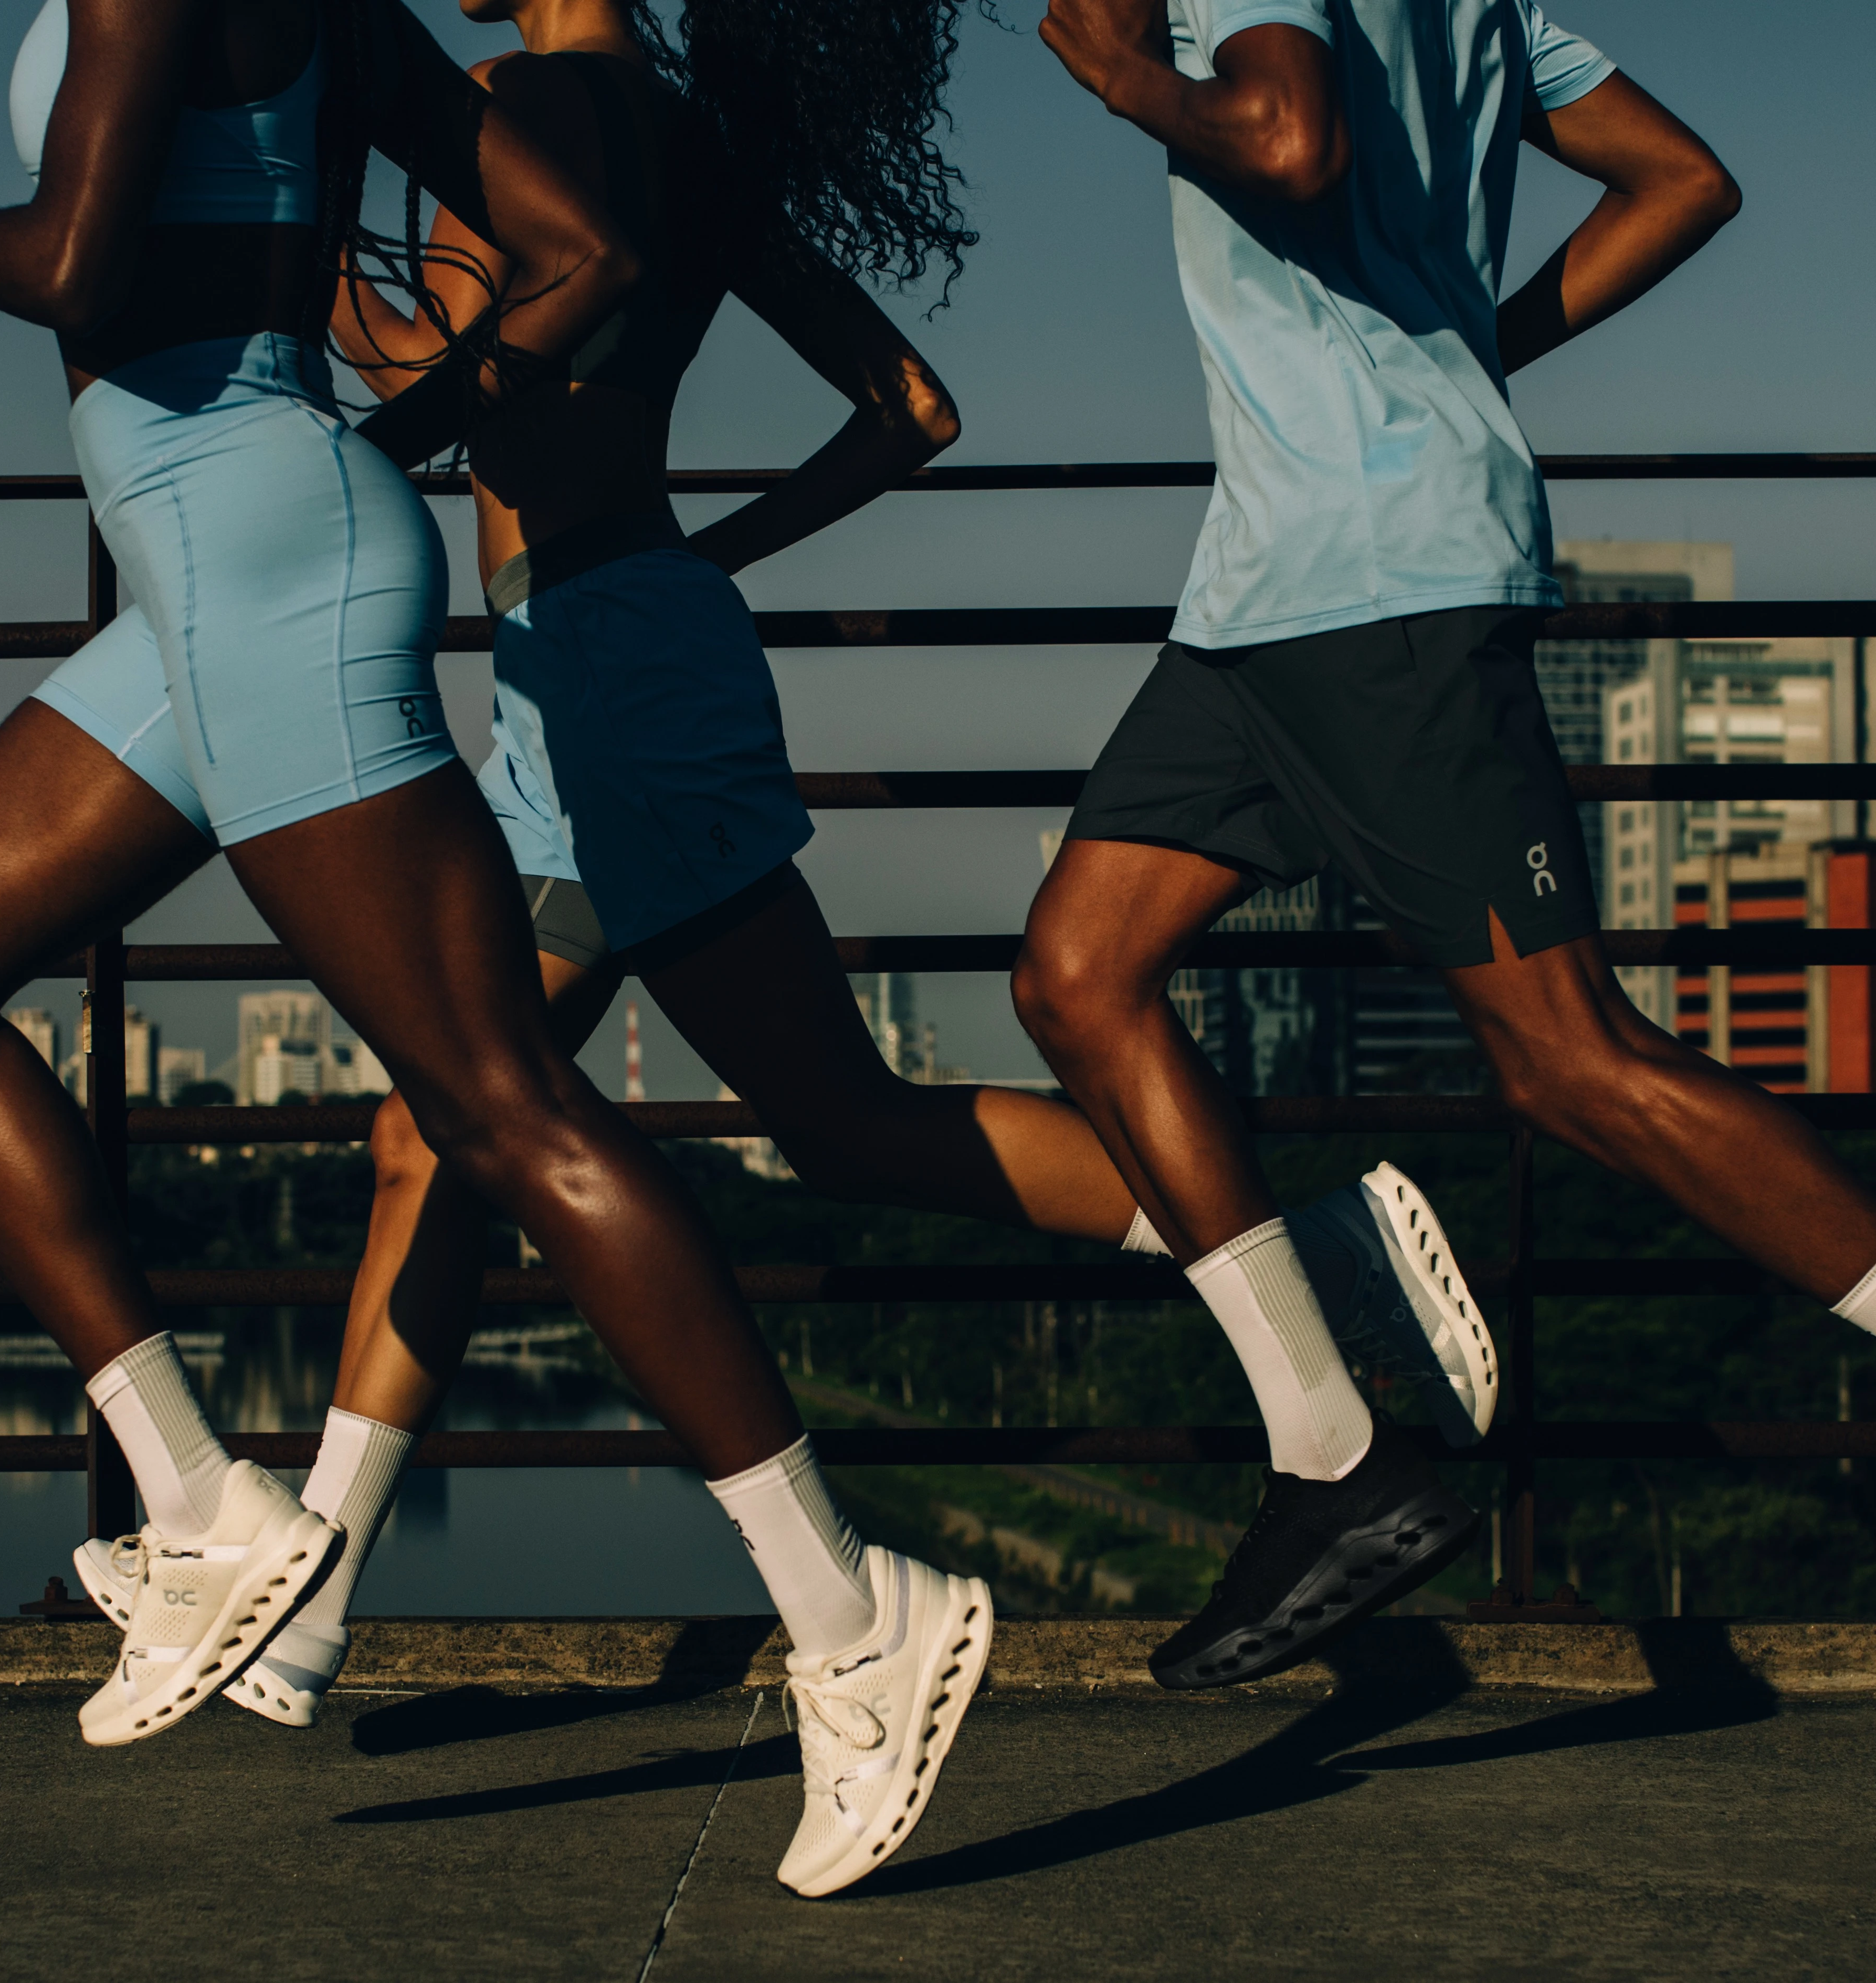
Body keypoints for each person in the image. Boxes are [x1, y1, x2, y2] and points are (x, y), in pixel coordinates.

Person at [97, 0, 1493, 1786]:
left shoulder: (513, 108)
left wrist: (308, 270)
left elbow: (451, 370)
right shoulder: (680, 131)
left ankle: (1304, 1269)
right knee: (437, 1130)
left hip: (606, 682)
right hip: (609, 659)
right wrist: (706, 558)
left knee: (818, 1119)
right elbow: (908, 407)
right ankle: (316, 1602)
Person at [0, 4, 979, 1874]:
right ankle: (203, 1501)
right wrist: (399, 436)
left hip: (255, 569)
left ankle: (856, 1616)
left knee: (500, 1105)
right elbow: (581, 257)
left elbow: (70, 265)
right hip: (234, 561)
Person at [1021, 0, 1876, 1708]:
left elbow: (1284, 142)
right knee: (1075, 974)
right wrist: (1460, 350)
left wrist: (1125, 78)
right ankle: (1331, 1452)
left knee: (1571, 1063)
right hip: (1261, 604)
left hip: (1379, 598)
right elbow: (1678, 179)